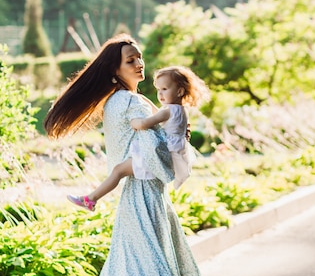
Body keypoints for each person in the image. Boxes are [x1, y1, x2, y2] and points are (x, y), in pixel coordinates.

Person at [44, 34, 213, 276]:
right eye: (130, 60)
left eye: (139, 57)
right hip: (144, 197)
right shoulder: (132, 104)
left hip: (139, 197)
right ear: (115, 70)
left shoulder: (123, 101)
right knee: (152, 272)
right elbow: (157, 156)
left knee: (136, 272)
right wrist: (176, 150)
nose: (139, 63)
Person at [67, 65, 210, 211]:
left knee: (118, 171)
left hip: (161, 155)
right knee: (120, 170)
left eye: (165, 89)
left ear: (179, 91)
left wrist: (134, 122)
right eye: (158, 90)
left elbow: (144, 123)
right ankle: (90, 198)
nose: (160, 94)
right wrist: (142, 99)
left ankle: (90, 199)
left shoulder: (168, 111)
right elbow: (157, 113)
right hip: (171, 154)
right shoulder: (180, 109)